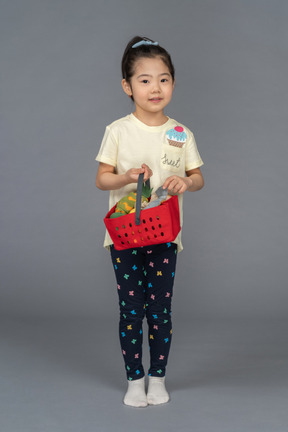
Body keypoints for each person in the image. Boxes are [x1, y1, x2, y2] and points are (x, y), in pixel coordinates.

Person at [95, 36, 204, 407]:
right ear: (127, 86)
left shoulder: (182, 133)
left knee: (159, 310)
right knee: (131, 309)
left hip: (164, 236)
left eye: (163, 78)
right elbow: (101, 179)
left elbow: (199, 178)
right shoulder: (118, 130)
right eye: (144, 80)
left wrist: (186, 182)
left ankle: (157, 378)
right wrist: (126, 177)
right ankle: (134, 379)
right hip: (124, 238)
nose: (155, 87)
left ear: (173, 82)